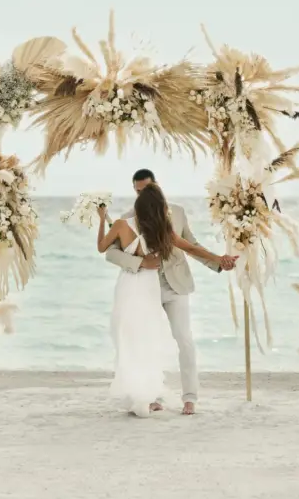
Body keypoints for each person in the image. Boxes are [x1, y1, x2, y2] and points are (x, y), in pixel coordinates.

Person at [100, 171, 235, 416]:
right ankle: (152, 396)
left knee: (184, 340)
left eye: (146, 189)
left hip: (176, 286)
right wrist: (139, 264)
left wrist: (218, 262)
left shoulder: (177, 212)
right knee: (148, 341)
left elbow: (191, 245)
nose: (142, 195)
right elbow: (110, 253)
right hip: (145, 287)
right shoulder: (128, 219)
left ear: (157, 186)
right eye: (138, 191)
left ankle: (190, 398)